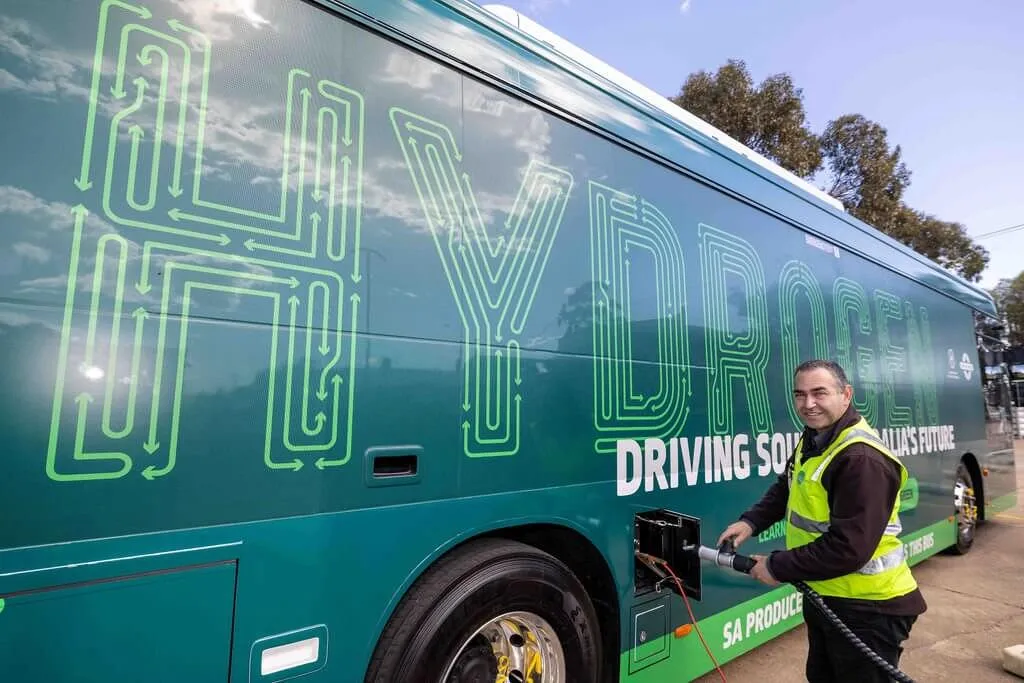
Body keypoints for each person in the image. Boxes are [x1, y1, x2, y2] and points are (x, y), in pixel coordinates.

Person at [717, 359, 926, 682]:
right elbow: (788, 486)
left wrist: (776, 566)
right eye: (799, 395)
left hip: (869, 608)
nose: (808, 404)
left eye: (819, 393)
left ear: (846, 395)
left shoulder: (860, 459)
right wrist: (751, 522)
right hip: (828, 593)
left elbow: (848, 548)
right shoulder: (817, 437)